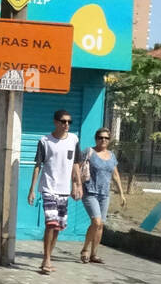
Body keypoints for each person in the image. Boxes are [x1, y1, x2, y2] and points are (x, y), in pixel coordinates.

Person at [26, 109, 83, 274]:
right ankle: (46, 259)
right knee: (50, 223)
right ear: (55, 122)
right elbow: (38, 165)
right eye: (63, 121)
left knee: (58, 226)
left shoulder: (73, 140)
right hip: (48, 187)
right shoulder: (45, 141)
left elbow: (76, 164)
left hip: (64, 190)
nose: (66, 125)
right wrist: (32, 190)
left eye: (69, 122)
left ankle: (49, 256)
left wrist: (77, 185)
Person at [79, 127, 127, 263]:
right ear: (96, 138)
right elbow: (77, 168)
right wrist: (76, 186)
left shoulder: (112, 155)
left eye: (106, 138)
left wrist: (121, 194)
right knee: (96, 221)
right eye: (101, 137)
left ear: (109, 140)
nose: (103, 140)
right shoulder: (89, 152)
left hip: (104, 194)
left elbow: (115, 175)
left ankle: (94, 254)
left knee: (100, 225)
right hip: (90, 192)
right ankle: (85, 249)